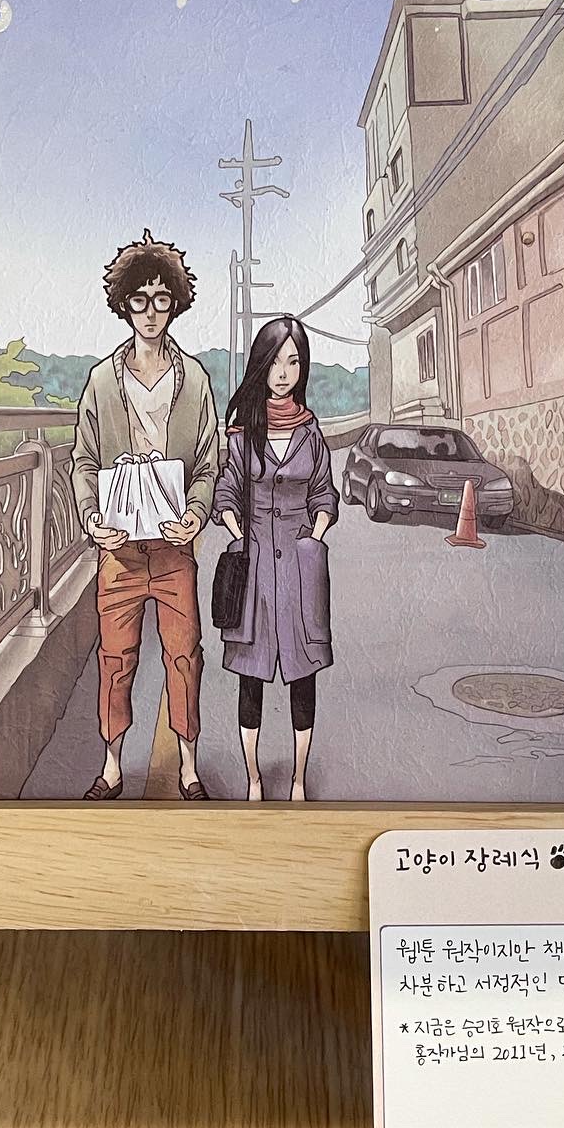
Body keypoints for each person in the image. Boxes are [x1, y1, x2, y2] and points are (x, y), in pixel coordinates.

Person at [70, 229, 220, 800]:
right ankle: (112, 765)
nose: (151, 312)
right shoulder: (102, 382)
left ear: (175, 303)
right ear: (124, 305)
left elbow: (208, 462)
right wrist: (92, 519)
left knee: (184, 656)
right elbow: (83, 461)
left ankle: (188, 765)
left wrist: (197, 513)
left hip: (174, 546)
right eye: (140, 300)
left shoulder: (195, 379)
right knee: (116, 657)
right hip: (119, 550)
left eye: (162, 299)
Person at [212, 315, 338, 801]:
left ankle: (299, 781)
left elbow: (324, 493)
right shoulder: (242, 435)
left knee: (304, 678)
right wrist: (236, 530)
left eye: (294, 362)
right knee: (252, 678)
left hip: (302, 570)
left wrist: (314, 536)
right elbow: (226, 491)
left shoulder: (311, 432)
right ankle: (253, 780)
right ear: (260, 366)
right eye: (275, 362)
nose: (284, 373)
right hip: (255, 569)